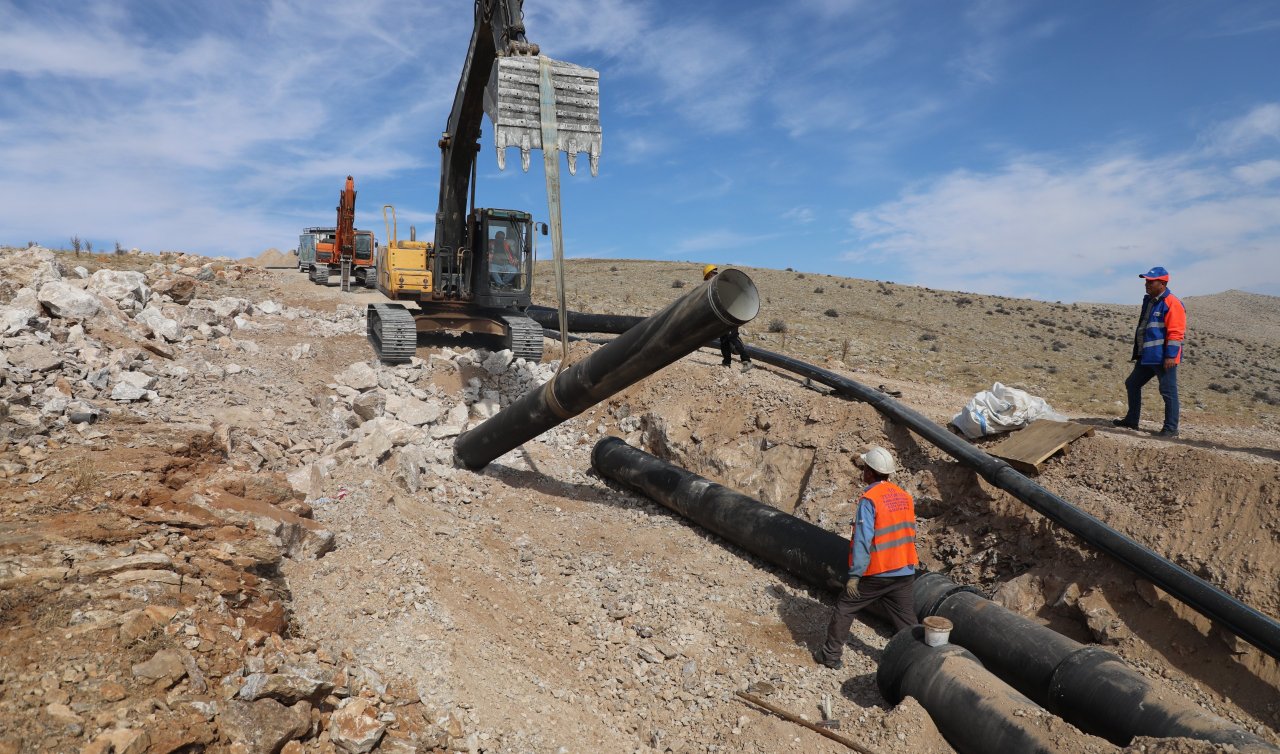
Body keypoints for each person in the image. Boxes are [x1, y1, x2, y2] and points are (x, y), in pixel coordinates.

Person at [813, 445, 918, 671]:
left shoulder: (870, 499)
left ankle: (830, 656)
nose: (862, 472)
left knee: (845, 607)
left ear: (870, 472)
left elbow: (863, 540)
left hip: (879, 571)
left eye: (864, 468)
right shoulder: (904, 497)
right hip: (905, 570)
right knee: (907, 621)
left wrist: (855, 575)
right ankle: (918, 661)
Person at [1113, 266, 1186, 438]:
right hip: (1148, 355)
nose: (1147, 284)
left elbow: (1176, 333)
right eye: (1146, 281)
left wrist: (1170, 356)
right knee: (1132, 383)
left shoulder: (1172, 303)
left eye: (1151, 282)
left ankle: (1171, 428)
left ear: (1163, 283)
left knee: (1168, 391)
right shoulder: (1150, 301)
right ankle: (1132, 420)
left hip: (1163, 358)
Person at [703, 264, 752, 369]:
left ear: (710, 274)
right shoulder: (716, 285)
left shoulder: (721, 283)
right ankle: (726, 362)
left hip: (732, 315)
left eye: (707, 277)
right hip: (723, 317)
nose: (707, 280)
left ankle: (746, 361)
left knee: (732, 337)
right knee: (724, 339)